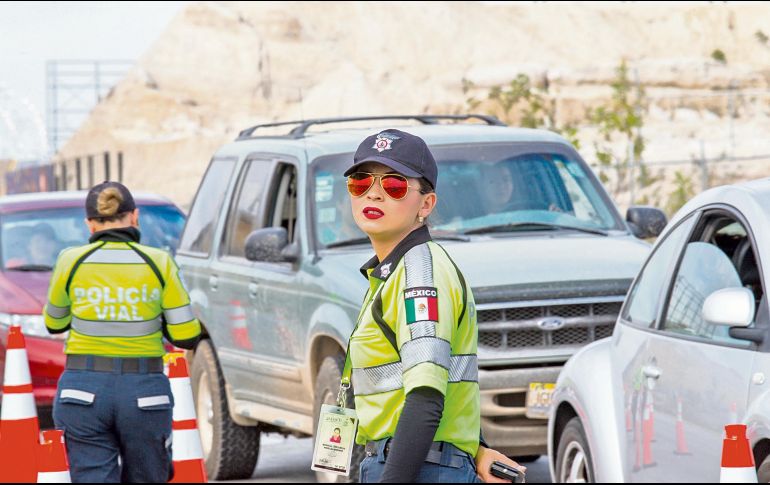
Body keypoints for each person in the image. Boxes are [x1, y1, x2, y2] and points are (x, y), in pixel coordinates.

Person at [342, 129, 524, 483]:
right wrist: (476, 448)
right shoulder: (393, 270)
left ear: (426, 205)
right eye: (360, 182)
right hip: (418, 463)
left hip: (417, 470)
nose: (374, 192)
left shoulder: (419, 273)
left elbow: (426, 394)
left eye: (394, 185)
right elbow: (448, 383)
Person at [43, 181, 202, 483]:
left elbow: (55, 323)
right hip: (144, 393)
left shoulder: (70, 261)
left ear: (89, 224)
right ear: (134, 216)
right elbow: (186, 335)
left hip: (83, 392)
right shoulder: (159, 263)